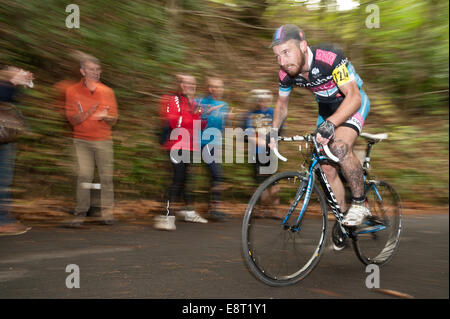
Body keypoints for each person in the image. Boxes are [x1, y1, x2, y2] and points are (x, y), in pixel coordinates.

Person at [269, 24, 371, 227]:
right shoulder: (286, 74)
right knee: (326, 169)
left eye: (286, 52)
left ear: (303, 46)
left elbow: (354, 97)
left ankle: (360, 204)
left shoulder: (329, 57)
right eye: (277, 56)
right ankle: (344, 221)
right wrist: (273, 131)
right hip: (326, 110)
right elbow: (281, 104)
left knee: (339, 147)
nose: (282, 61)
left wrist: (331, 124)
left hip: (352, 102)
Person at [64, 54, 118, 227]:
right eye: (91, 69)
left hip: (103, 140)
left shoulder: (107, 91)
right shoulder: (72, 91)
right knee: (84, 176)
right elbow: (72, 120)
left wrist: (106, 117)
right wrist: (89, 112)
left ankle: (107, 213)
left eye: (97, 69)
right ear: (82, 71)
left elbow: (114, 119)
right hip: (82, 141)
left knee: (106, 177)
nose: (95, 72)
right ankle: (80, 214)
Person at [154, 74, 208, 231]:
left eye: (193, 83)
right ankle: (166, 216)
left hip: (190, 146)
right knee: (177, 179)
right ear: (181, 85)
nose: (190, 86)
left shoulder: (196, 102)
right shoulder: (173, 100)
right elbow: (175, 122)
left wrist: (203, 115)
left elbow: (200, 126)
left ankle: (188, 212)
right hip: (175, 145)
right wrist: (195, 115)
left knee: (187, 180)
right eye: (187, 83)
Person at [0, 66, 33, 236]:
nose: (21, 71)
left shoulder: (7, 86)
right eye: (17, 70)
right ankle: (3, 222)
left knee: (4, 178)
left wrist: (21, 85)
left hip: (5, 137)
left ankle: (5, 220)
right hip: (3, 137)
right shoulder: (4, 84)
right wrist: (12, 82)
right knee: (3, 179)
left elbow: (11, 101)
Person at [196, 77, 231, 221]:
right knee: (217, 175)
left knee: (214, 176)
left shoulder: (224, 105)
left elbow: (222, 126)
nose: (214, 89)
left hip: (215, 144)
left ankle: (211, 208)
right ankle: (214, 209)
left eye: (218, 86)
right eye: (212, 86)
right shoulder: (199, 102)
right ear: (207, 88)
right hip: (202, 143)